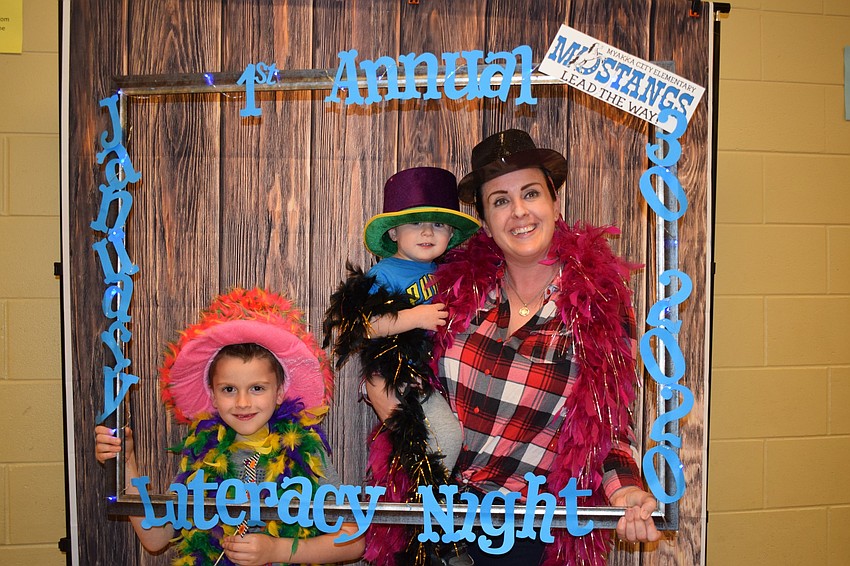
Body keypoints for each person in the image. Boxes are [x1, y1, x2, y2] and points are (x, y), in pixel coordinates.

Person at [366, 130, 661, 565]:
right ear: (484, 219)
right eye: (500, 200)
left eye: (530, 193)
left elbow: (608, 422)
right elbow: (394, 362)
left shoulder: (600, 301)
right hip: (428, 521)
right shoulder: (451, 286)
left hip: (522, 533)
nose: (518, 211)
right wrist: (390, 405)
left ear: (555, 203)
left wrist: (627, 490)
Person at [96, 288, 364, 566]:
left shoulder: (304, 448)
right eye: (228, 389)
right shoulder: (202, 455)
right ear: (212, 394)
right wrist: (126, 463)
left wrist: (277, 550)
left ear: (280, 391)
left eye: (257, 388)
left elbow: (353, 540)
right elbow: (156, 538)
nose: (243, 402)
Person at [323, 167, 480, 566]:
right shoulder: (385, 274)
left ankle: (435, 532)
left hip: (436, 379)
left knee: (447, 445)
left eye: (440, 224)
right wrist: (413, 318)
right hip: (400, 380)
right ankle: (435, 529)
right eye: (415, 222)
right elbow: (356, 326)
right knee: (443, 439)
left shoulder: (446, 273)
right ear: (393, 233)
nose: (428, 231)